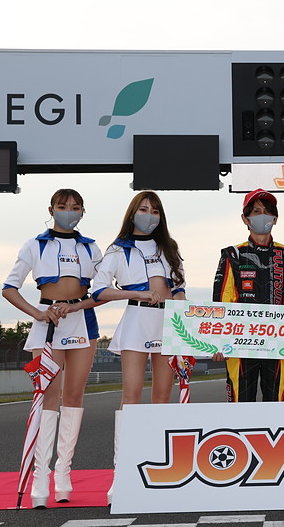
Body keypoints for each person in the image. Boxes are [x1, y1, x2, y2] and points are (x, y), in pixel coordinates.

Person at [2, 188, 103, 507]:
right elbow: (9, 288)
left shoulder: (91, 247)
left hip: (82, 320)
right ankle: (40, 477)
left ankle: (63, 474)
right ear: (51, 209)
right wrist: (38, 313)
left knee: (74, 396)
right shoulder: (35, 244)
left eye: (75, 207)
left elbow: (102, 291)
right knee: (47, 396)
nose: (69, 211)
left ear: (83, 212)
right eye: (62, 206)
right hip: (48, 322)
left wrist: (78, 306)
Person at [91, 191, 186, 503]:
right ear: (133, 213)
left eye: (155, 211)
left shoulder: (169, 247)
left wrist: (184, 319)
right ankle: (122, 473)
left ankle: (159, 467)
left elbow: (179, 288)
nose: (150, 215)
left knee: (162, 396)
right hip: (136, 320)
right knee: (131, 396)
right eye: (144, 209)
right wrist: (137, 294)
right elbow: (100, 290)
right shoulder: (118, 248)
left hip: (168, 322)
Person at [211, 188, 284, 402]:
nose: (262, 216)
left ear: (275, 218)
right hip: (240, 344)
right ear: (245, 219)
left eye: (267, 211)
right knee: (240, 405)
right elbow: (222, 301)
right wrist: (218, 341)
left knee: (277, 404)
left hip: (279, 343)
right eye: (255, 211)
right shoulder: (233, 254)